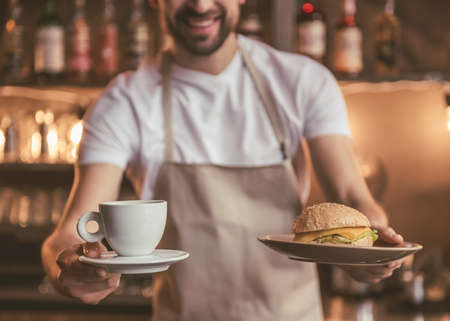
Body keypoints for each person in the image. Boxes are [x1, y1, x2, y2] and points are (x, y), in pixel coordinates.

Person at [41, 0, 405, 320]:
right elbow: (69, 234)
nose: (200, 5)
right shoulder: (124, 101)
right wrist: (70, 273)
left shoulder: (303, 82)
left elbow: (353, 198)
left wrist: (372, 253)